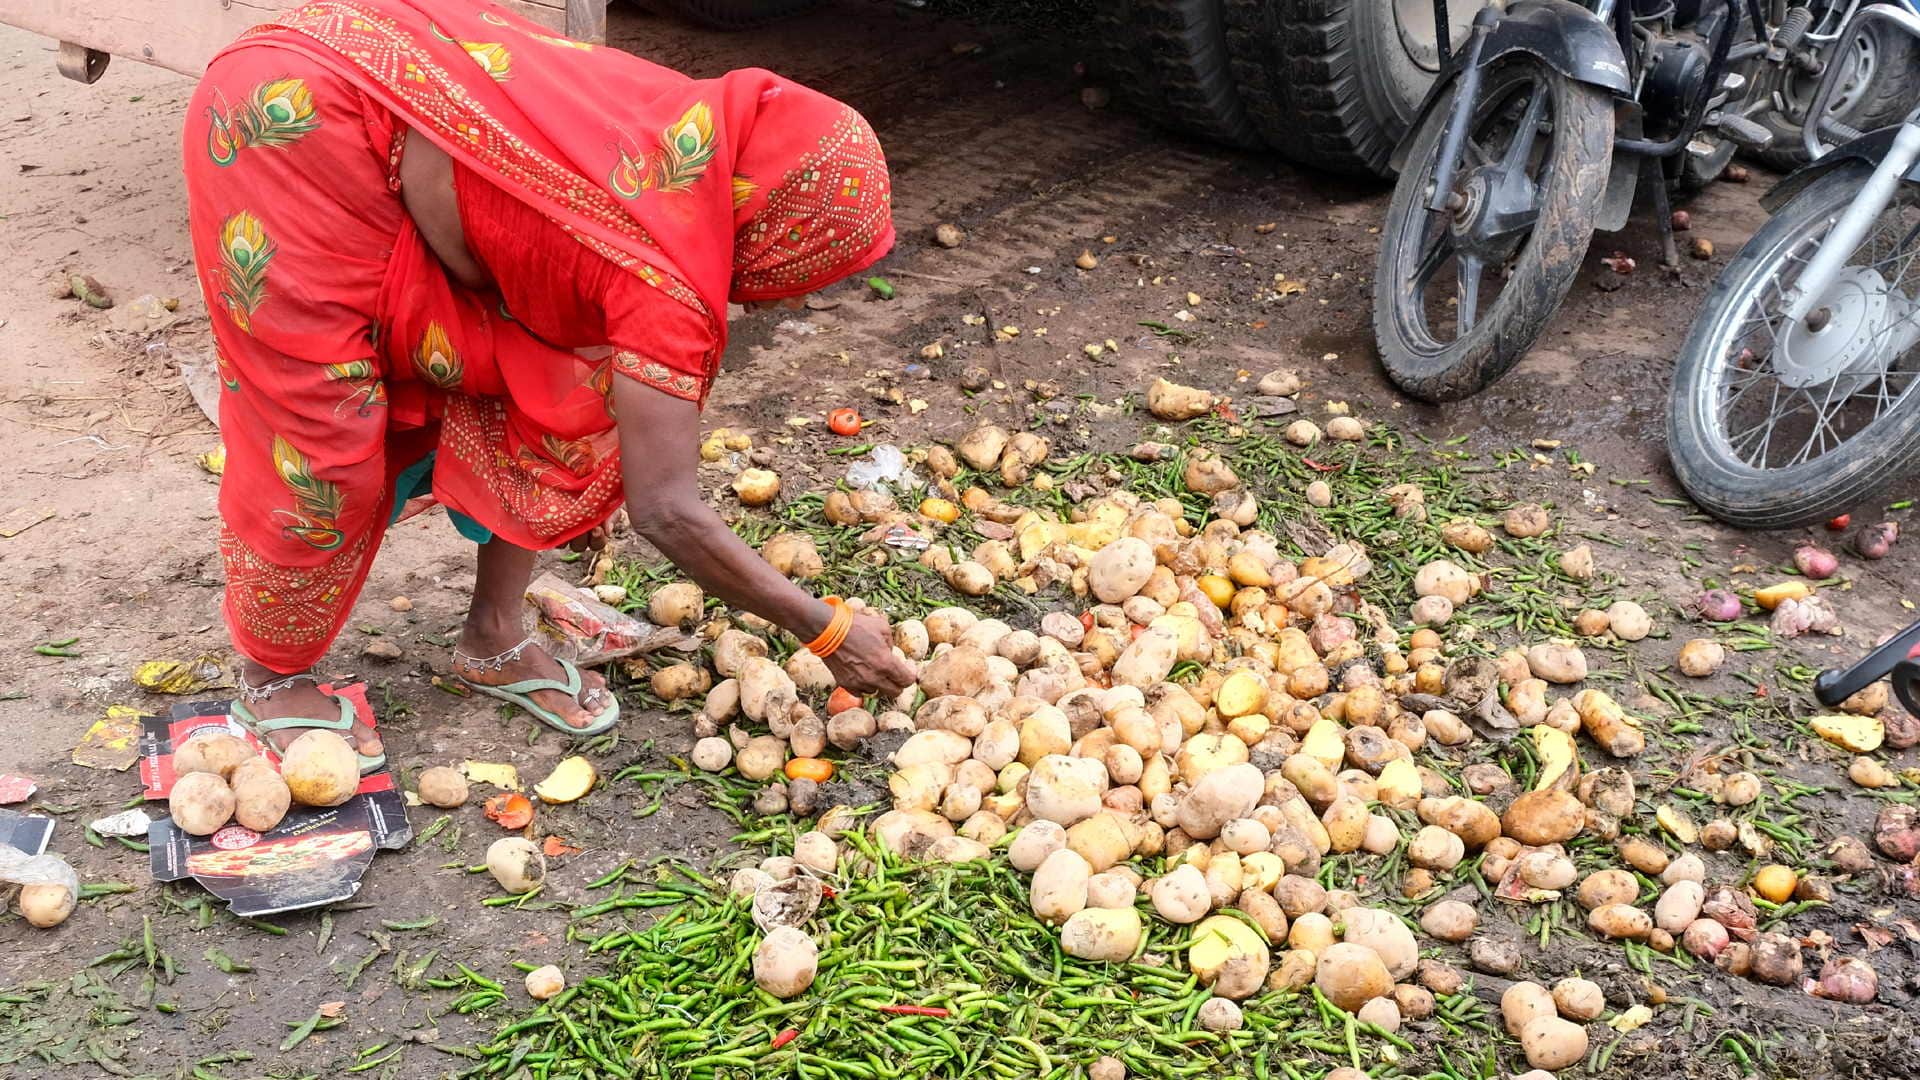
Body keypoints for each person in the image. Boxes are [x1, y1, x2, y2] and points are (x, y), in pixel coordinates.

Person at [183, 0, 916, 765]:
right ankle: (273, 676)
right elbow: (665, 510)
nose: (795, 294)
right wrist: (826, 630)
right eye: (807, 271)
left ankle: (494, 634)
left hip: (389, 103)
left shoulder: (687, 140)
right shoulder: (660, 276)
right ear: (769, 227)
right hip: (290, 122)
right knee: (319, 422)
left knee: (562, 381)